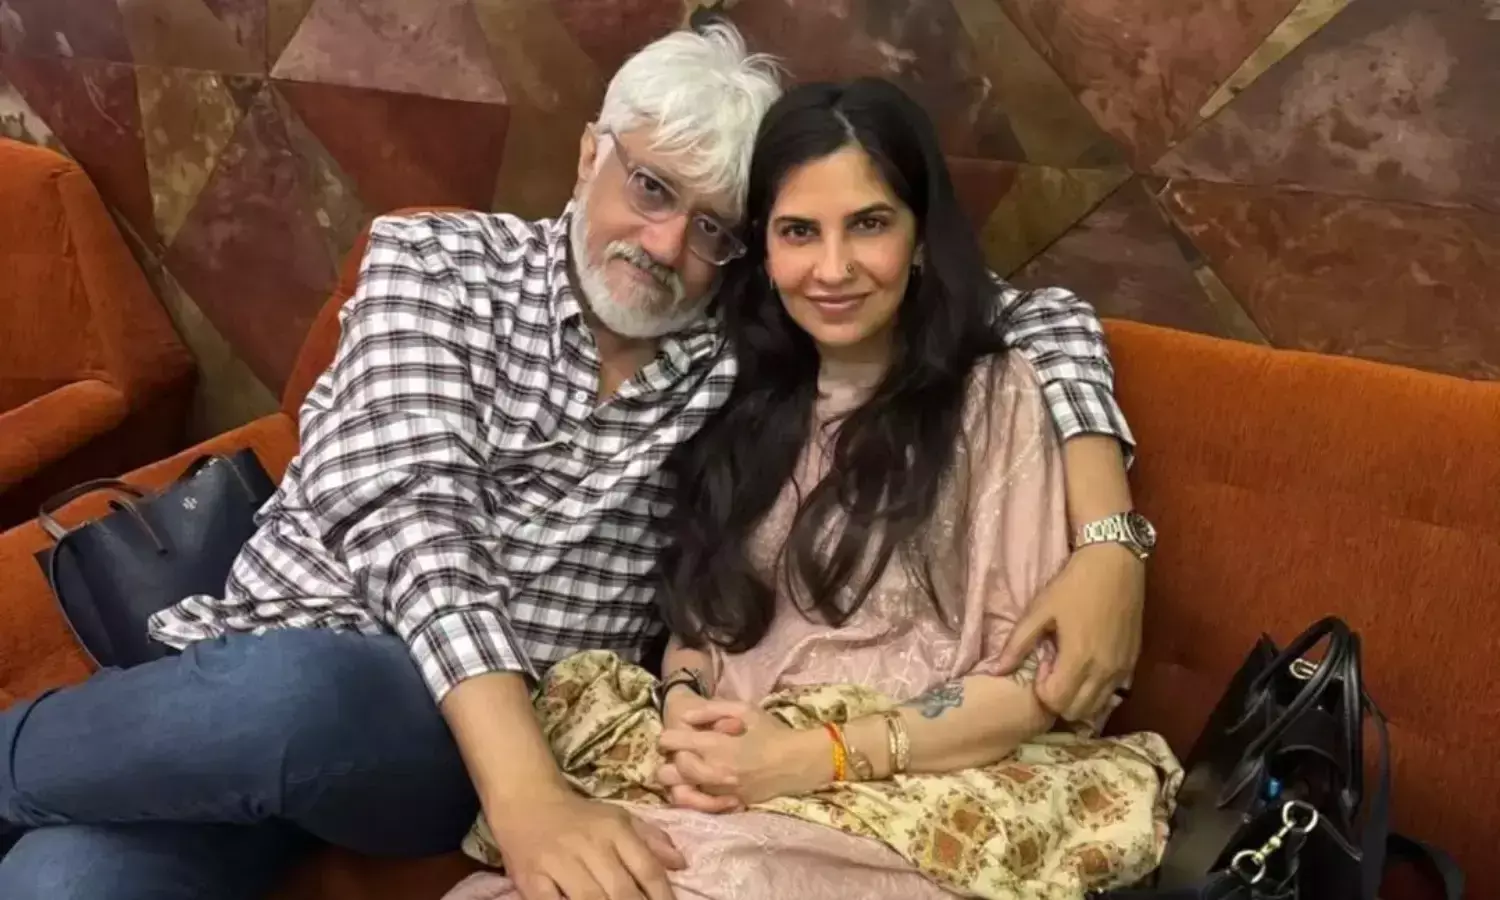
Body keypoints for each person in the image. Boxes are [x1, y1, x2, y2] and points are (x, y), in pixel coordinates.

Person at [0, 21, 1150, 900]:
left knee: (307, 696)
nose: (665, 245)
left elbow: (1019, 316)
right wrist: (531, 801)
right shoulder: (435, 263)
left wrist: (1107, 543)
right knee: (58, 880)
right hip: (261, 696)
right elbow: (415, 525)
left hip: (424, 749)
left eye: (714, 227)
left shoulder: (735, 351)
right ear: (590, 152)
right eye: (649, 187)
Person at [443, 75, 1176, 900]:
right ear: (763, 251)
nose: (833, 269)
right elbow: (702, 617)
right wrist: (685, 700)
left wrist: (808, 757)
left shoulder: (996, 399)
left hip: (900, 789)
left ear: (921, 237)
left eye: (869, 224)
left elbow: (1031, 684)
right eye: (799, 232)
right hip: (722, 779)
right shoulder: (732, 393)